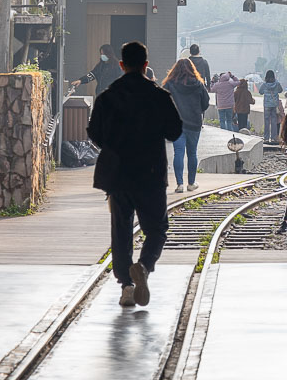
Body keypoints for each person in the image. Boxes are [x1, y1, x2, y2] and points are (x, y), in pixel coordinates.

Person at [86, 40, 182, 308]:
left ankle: (126, 287)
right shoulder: (159, 96)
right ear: (145, 65)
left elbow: (94, 133)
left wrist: (114, 145)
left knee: (121, 229)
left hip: (118, 174)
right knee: (157, 228)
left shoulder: (107, 96)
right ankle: (144, 265)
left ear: (121, 65)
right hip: (150, 173)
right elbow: (174, 132)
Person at [163, 58, 210, 192]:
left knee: (178, 152)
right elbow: (205, 103)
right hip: (194, 122)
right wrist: (197, 110)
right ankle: (191, 183)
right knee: (192, 153)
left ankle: (180, 184)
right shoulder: (198, 84)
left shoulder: (170, 84)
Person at [257, 70, 285, 144]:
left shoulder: (264, 85)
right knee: (274, 121)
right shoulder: (277, 84)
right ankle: (274, 138)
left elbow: (260, 92)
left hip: (267, 105)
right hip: (274, 105)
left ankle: (266, 138)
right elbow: (280, 90)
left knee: (266, 122)